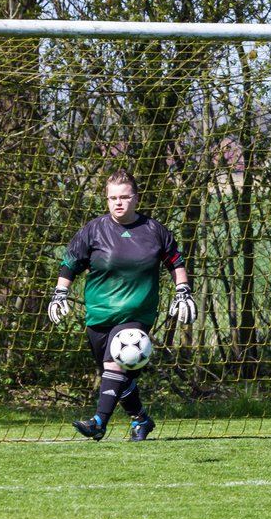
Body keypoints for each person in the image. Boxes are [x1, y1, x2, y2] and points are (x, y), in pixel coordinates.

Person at [47, 169, 196, 441]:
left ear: (135, 198)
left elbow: (176, 262)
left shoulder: (154, 230)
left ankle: (98, 422)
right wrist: (60, 293)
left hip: (136, 313)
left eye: (124, 197)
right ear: (106, 200)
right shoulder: (93, 230)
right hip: (99, 313)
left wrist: (183, 290)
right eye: (112, 198)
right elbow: (70, 263)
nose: (118, 202)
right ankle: (141, 420)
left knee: (116, 364)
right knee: (114, 376)